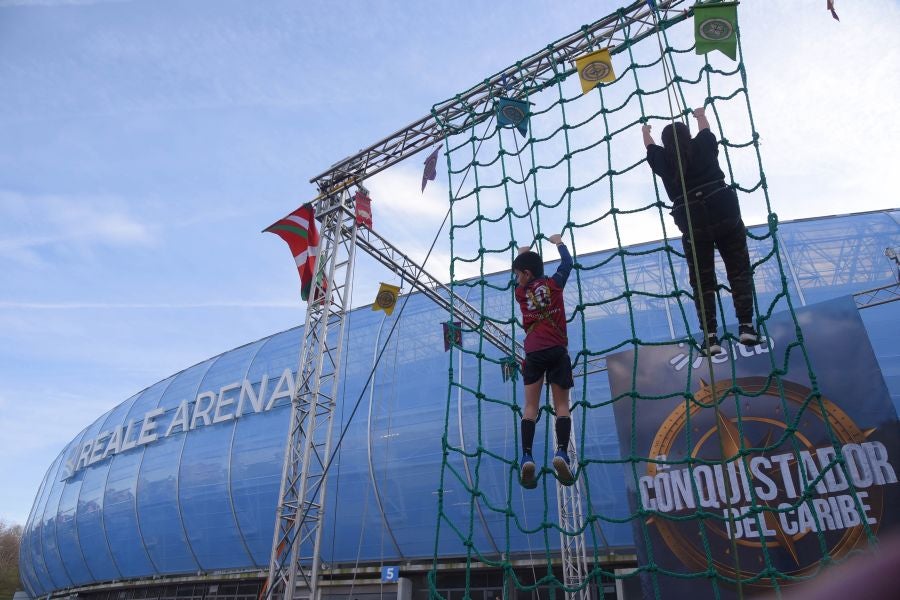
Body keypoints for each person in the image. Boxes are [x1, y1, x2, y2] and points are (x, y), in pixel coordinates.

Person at [642, 106, 760, 355]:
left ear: (666, 143)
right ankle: (746, 326)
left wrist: (645, 130)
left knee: (702, 280)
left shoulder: (664, 160)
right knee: (738, 270)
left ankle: (710, 336)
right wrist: (700, 115)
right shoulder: (702, 145)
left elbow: (650, 149)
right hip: (723, 209)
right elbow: (706, 131)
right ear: (688, 136)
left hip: (692, 220)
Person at [512, 233, 575, 488]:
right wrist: (559, 243)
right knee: (561, 406)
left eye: (518, 273)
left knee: (530, 407)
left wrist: (522, 252)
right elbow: (567, 264)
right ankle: (561, 452)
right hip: (557, 350)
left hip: (534, 353)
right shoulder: (554, 284)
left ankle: (527, 456)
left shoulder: (521, 293)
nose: (517, 277)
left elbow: (518, 282)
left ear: (526, 274)